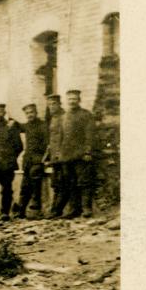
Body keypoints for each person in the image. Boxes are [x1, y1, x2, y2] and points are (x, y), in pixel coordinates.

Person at [50, 89, 98, 219]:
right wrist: (59, 153)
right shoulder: (63, 117)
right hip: (66, 156)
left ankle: (86, 209)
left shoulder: (86, 115)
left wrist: (88, 151)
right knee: (70, 183)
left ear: (79, 100)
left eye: (74, 99)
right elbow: (60, 137)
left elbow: (90, 135)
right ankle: (73, 209)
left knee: (84, 182)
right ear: (67, 101)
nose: (72, 101)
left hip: (81, 155)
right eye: (70, 99)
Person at [16, 103, 48, 218]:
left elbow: (47, 144)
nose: (30, 115)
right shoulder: (27, 126)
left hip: (38, 158)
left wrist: (45, 158)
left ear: (36, 113)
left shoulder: (43, 125)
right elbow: (17, 126)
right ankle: (21, 210)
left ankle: (36, 208)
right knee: (25, 185)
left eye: (31, 112)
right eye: (27, 113)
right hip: (28, 160)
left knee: (35, 177)